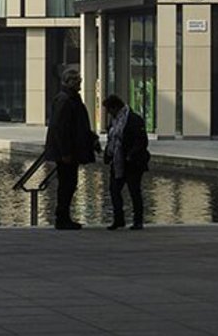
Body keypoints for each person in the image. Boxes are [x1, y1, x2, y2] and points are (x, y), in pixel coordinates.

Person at [44, 66, 99, 230]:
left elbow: (77, 126)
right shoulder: (66, 100)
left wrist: (91, 140)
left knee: (69, 183)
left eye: (79, 81)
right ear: (68, 82)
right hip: (68, 152)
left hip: (71, 150)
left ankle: (64, 216)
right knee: (67, 184)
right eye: (76, 81)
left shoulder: (70, 99)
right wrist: (65, 152)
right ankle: (62, 217)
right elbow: (60, 128)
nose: (79, 84)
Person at [104, 93, 150, 230]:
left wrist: (131, 154)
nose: (108, 113)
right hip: (117, 161)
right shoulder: (115, 121)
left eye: (109, 110)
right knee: (114, 190)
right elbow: (112, 140)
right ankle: (119, 219)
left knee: (134, 190)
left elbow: (141, 140)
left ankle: (138, 221)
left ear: (115, 107)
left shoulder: (134, 119)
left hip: (132, 162)